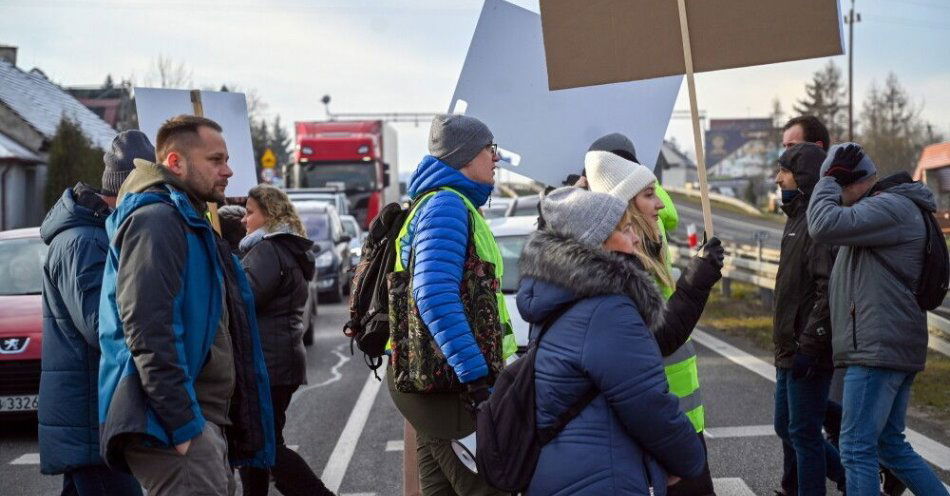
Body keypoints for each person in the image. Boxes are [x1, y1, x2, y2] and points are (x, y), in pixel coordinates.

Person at [97, 115, 275, 496]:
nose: (228, 170)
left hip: (197, 421)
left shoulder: (182, 216)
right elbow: (147, 330)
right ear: (175, 163)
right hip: (175, 426)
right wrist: (183, 429)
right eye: (215, 160)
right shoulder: (157, 220)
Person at [519, 186, 706, 495]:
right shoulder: (608, 310)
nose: (635, 238)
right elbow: (648, 403)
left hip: (562, 470)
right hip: (603, 477)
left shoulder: (559, 296)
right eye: (626, 229)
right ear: (597, 242)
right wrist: (689, 459)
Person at [808, 143, 950, 496]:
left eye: (840, 188)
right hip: (885, 345)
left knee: (856, 447)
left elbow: (822, 224)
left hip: (877, 349)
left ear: (851, 181)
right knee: (889, 445)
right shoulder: (885, 209)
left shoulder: (889, 208)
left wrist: (825, 181)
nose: (837, 196)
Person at [386, 114, 516, 495]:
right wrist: (475, 378)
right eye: (490, 150)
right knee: (489, 487)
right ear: (464, 156)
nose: (496, 159)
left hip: (435, 379)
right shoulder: (446, 207)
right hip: (450, 382)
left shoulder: (443, 203)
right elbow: (434, 294)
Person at [586, 150, 722, 496]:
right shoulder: (620, 265)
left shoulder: (647, 250)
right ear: (626, 207)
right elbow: (657, 339)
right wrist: (697, 281)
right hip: (661, 421)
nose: (660, 204)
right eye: (649, 195)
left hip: (675, 416)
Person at [38, 131, 152, 496]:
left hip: (91, 410)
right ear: (129, 188)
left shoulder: (95, 234)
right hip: (91, 415)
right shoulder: (84, 242)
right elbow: (101, 326)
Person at [237, 184, 333, 496]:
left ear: (269, 215)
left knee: (264, 446)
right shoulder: (287, 248)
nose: (244, 220)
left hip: (267, 363)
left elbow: (243, 298)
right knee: (256, 445)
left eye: (250, 212)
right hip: (281, 360)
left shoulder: (267, 250)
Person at [771, 143, 846, 495]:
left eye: (783, 171)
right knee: (787, 427)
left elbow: (826, 289)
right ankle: (850, 475)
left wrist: (810, 344)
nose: (777, 178)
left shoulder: (815, 225)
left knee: (802, 431)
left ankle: (845, 477)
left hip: (808, 349)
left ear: (800, 178)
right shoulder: (794, 219)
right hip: (788, 346)